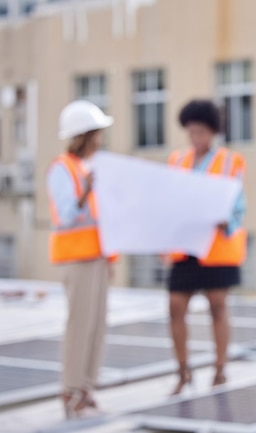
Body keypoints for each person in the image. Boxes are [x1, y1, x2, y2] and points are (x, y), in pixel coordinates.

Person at [166, 99, 246, 394]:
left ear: (211, 131)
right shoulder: (176, 161)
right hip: (185, 247)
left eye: (200, 131)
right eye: (191, 132)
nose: (195, 137)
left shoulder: (230, 161)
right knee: (175, 306)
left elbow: (239, 204)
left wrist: (227, 221)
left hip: (216, 248)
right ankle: (182, 372)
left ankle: (220, 370)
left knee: (217, 306)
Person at [47, 100, 115, 418]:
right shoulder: (62, 168)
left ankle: (86, 389)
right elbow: (64, 216)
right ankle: (70, 391)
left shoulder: (90, 168)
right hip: (78, 260)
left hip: (97, 258)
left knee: (97, 325)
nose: (101, 139)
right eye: (98, 133)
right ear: (85, 135)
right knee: (80, 326)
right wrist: (85, 192)